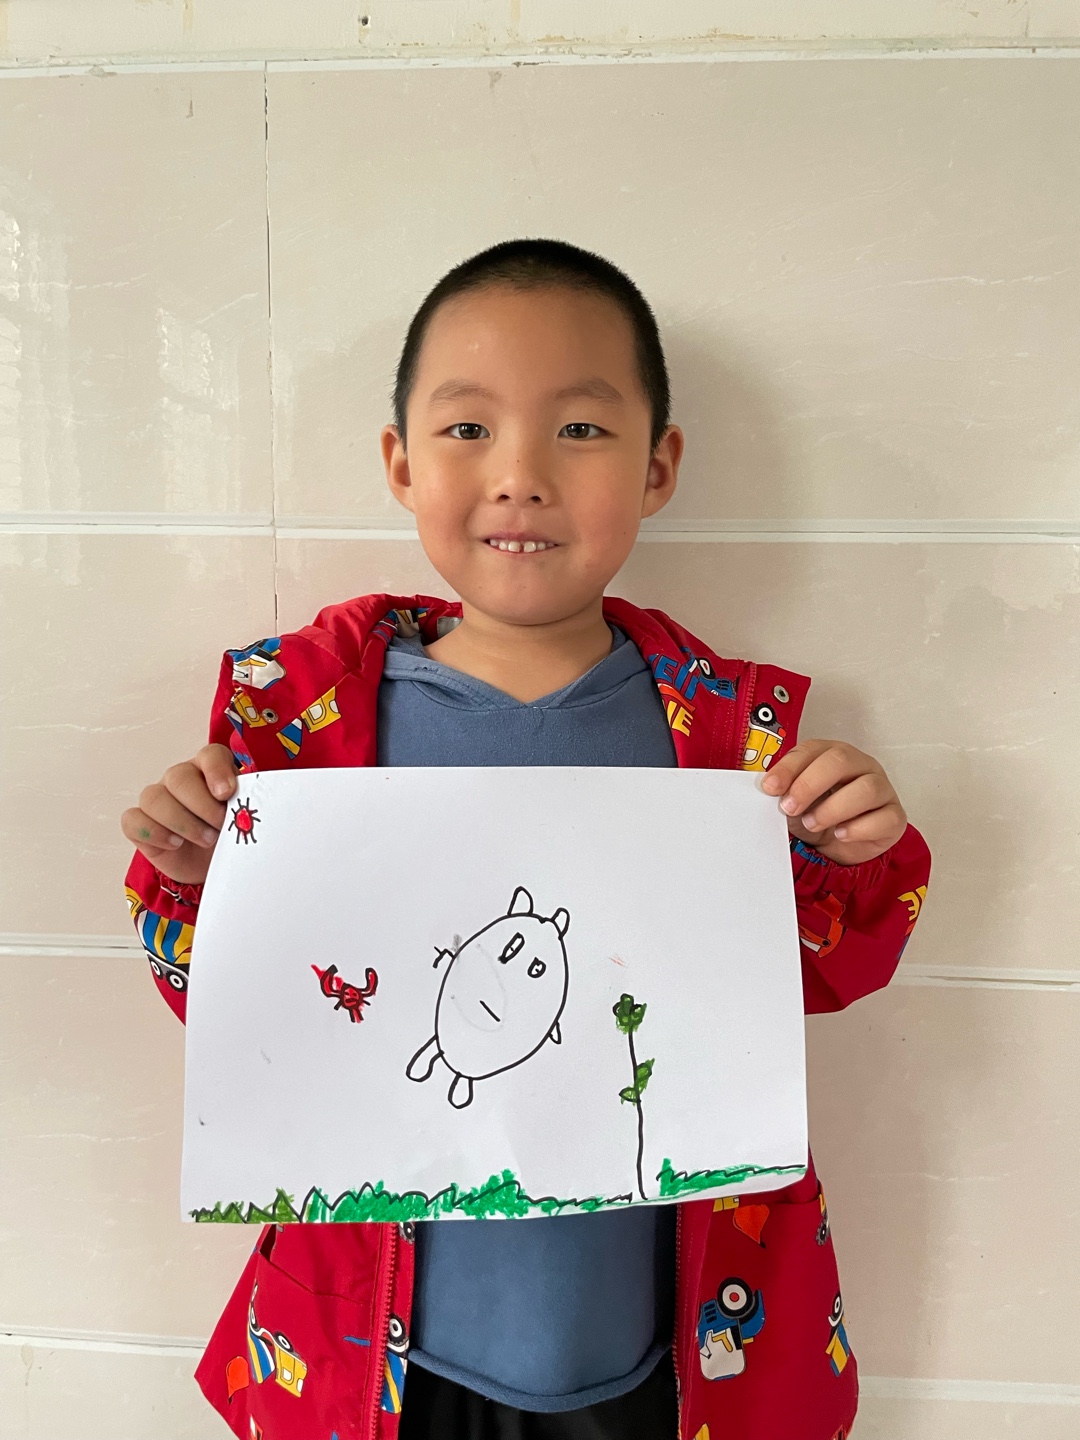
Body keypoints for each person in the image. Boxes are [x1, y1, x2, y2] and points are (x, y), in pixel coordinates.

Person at [121, 239, 931, 1440]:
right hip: (383, 1368)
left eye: (581, 430)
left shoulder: (731, 745)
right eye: (467, 429)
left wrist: (851, 855)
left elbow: (826, 970)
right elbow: (253, 1026)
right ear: (400, 463)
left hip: (661, 1368)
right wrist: (195, 878)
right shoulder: (300, 726)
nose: (520, 476)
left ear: (658, 468)